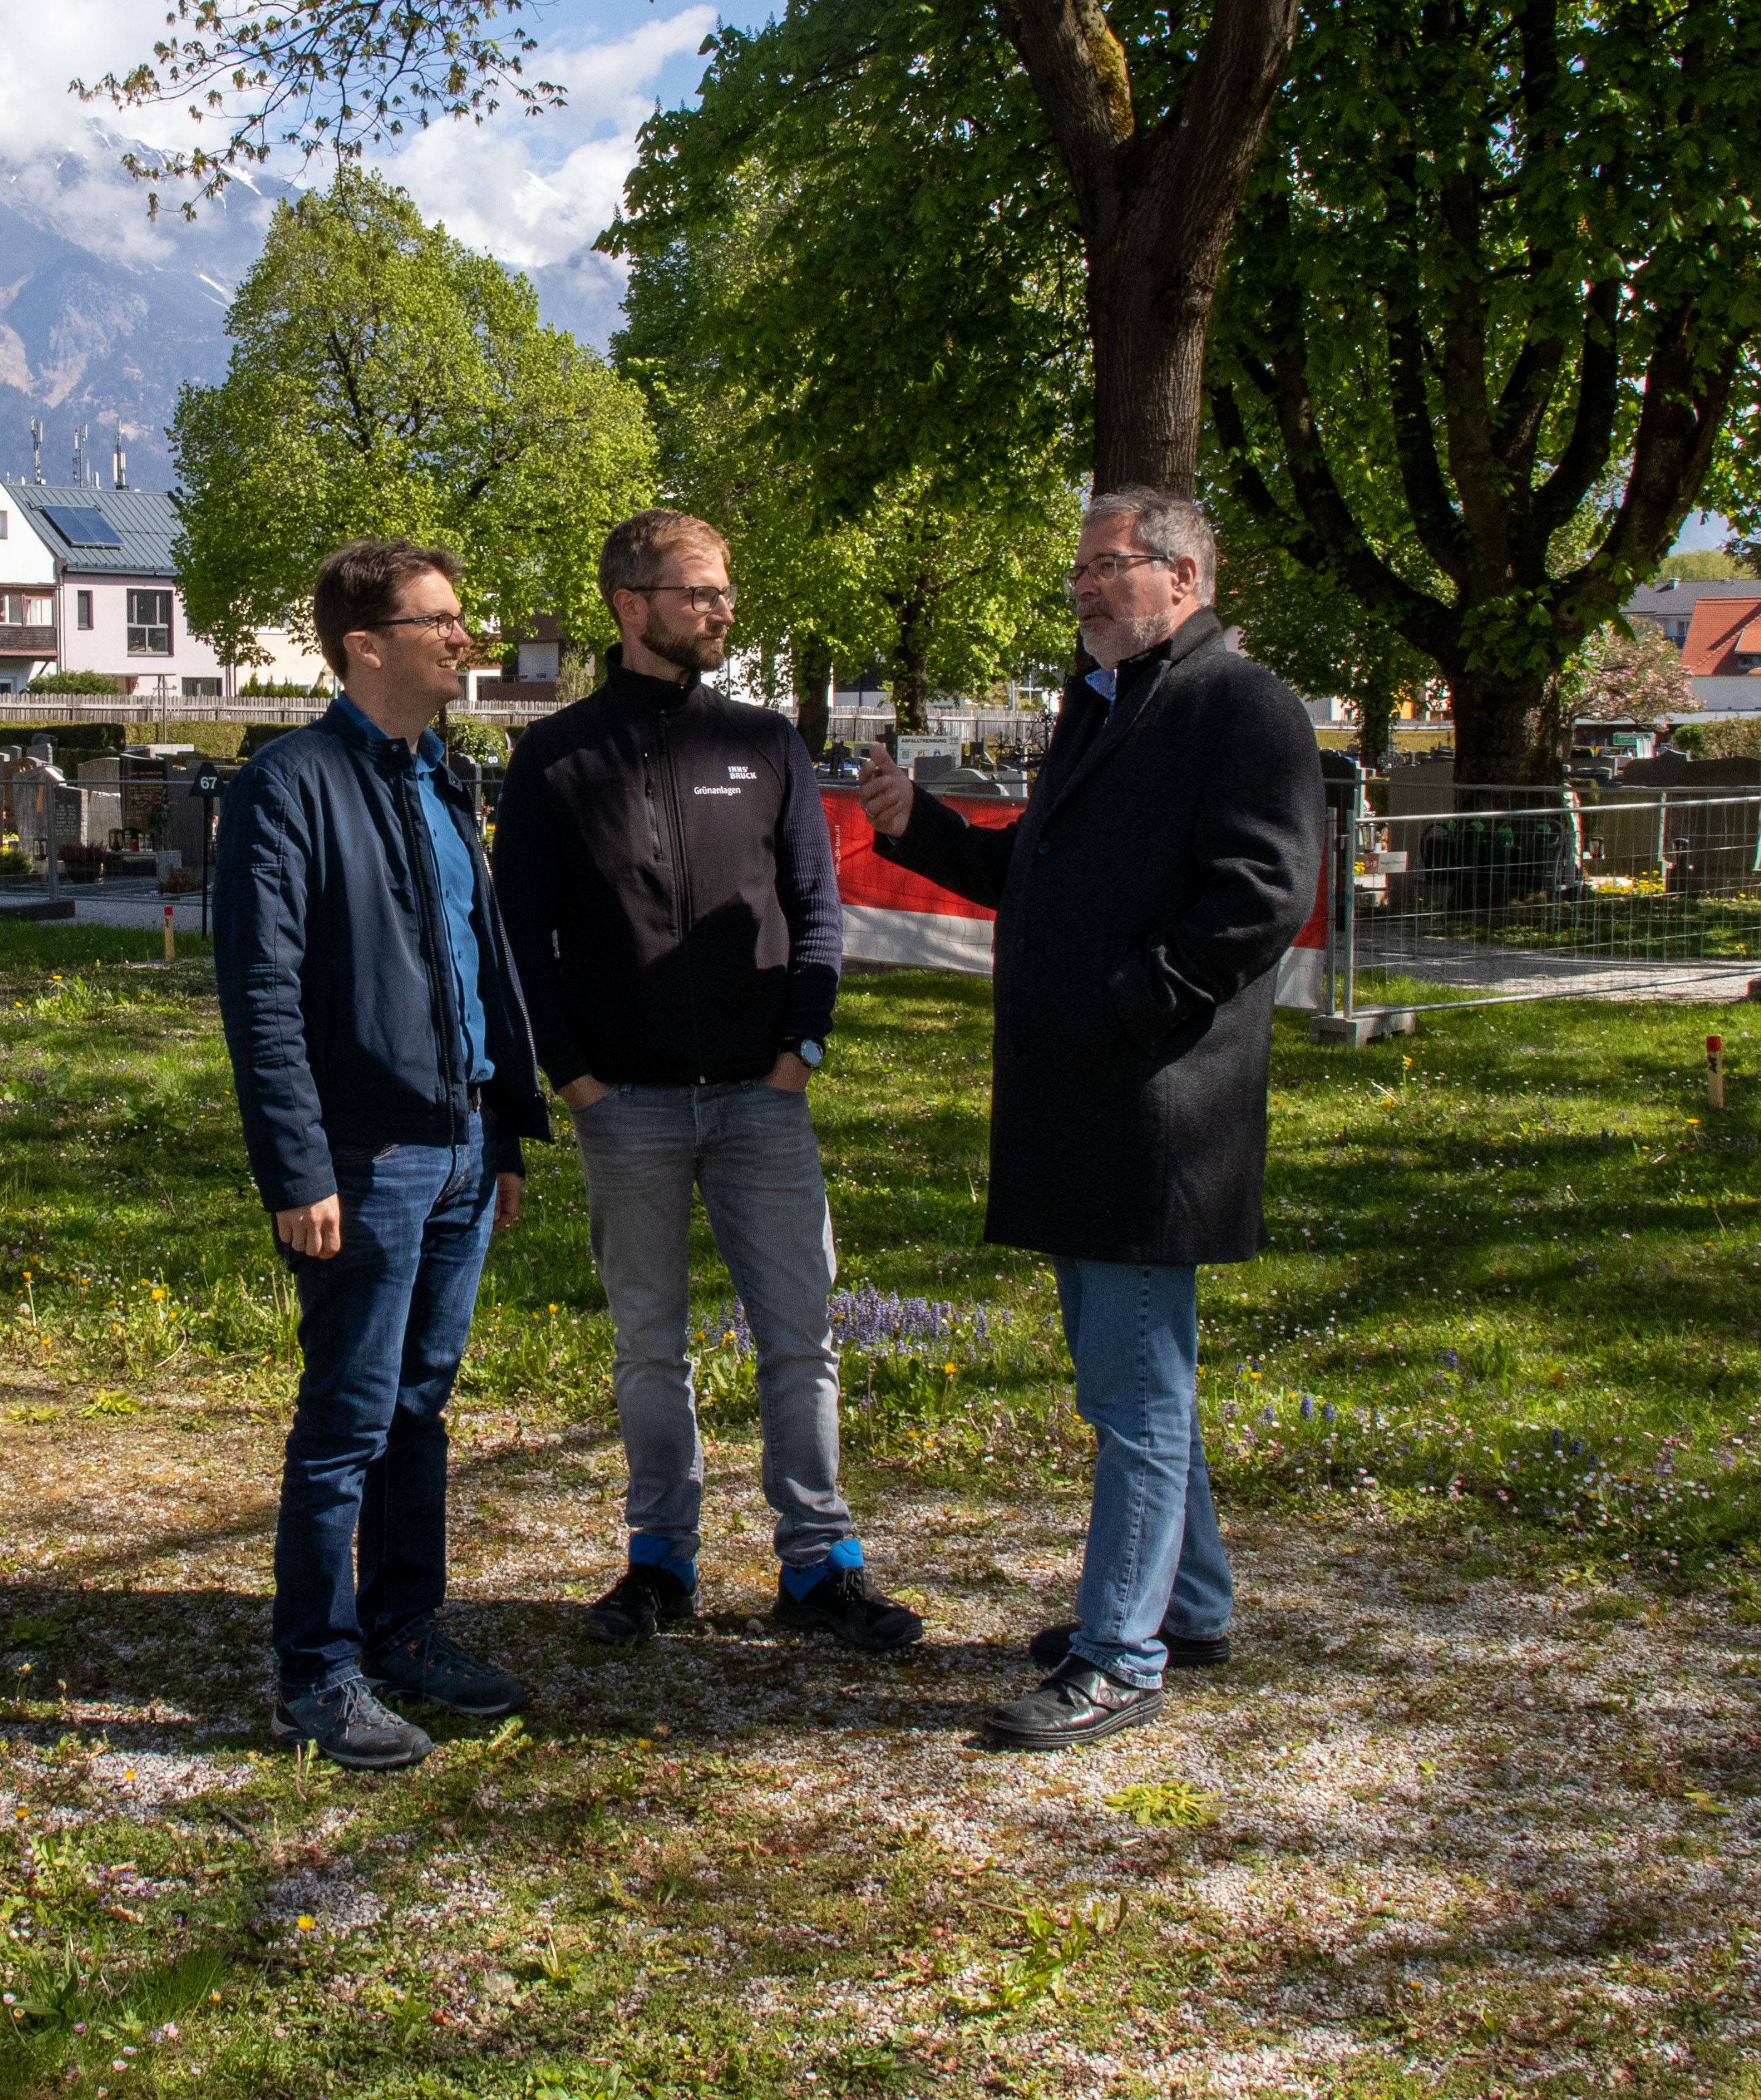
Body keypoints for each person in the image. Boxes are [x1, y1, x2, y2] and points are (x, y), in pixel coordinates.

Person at [857, 488, 1319, 1750]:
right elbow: (1039, 867)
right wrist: (920, 827)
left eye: (1110, 565)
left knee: (1136, 1393)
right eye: (1080, 569)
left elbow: (1264, 891)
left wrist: (1129, 1004)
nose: (1085, 586)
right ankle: (1190, 1606)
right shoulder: (1105, 701)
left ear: (1184, 576)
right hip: (1080, 1099)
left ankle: (1121, 1653)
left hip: (1153, 1105)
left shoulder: (1242, 704)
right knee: (1133, 1379)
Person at [492, 509, 923, 1652]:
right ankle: (660, 1562)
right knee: (650, 1347)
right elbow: (517, 936)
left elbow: (817, 907)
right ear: (631, 605)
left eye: (727, 591)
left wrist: (801, 1051)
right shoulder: (555, 758)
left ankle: (820, 1564)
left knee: (800, 1338)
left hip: (760, 1101)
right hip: (624, 1106)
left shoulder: (765, 742)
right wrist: (573, 1076)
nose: (723, 610)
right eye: (701, 593)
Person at [212, 539, 549, 1769]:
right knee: (348, 1419)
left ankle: (406, 1629)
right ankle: (318, 1671)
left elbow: (481, 967)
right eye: (440, 621)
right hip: (364, 1158)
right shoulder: (288, 786)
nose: (465, 639)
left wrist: (503, 1131)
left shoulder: (444, 781)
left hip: (459, 1147)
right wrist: (298, 1168)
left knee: (420, 1408)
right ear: (366, 644)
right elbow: (263, 995)